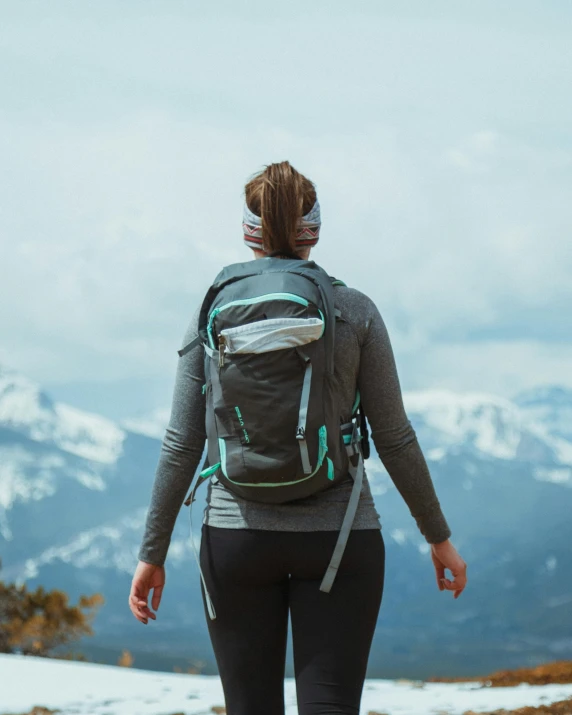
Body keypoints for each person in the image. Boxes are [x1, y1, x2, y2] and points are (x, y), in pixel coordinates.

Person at [129, 160, 468, 715]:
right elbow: (395, 436)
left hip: (235, 538)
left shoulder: (211, 310)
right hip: (339, 538)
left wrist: (152, 553)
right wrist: (438, 536)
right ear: (314, 229)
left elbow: (182, 442)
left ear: (248, 232)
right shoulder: (354, 310)